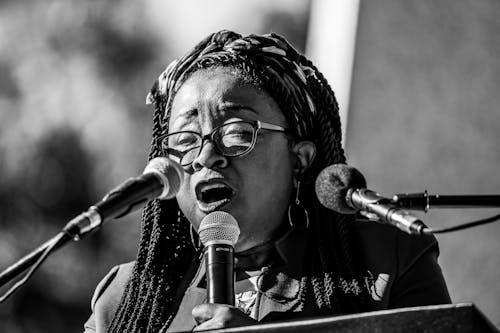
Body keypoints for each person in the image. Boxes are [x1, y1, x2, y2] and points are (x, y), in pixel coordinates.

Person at [83, 30, 450, 333]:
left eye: (238, 132)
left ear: (300, 158)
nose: (206, 156)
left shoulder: (387, 259)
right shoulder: (125, 298)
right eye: (184, 141)